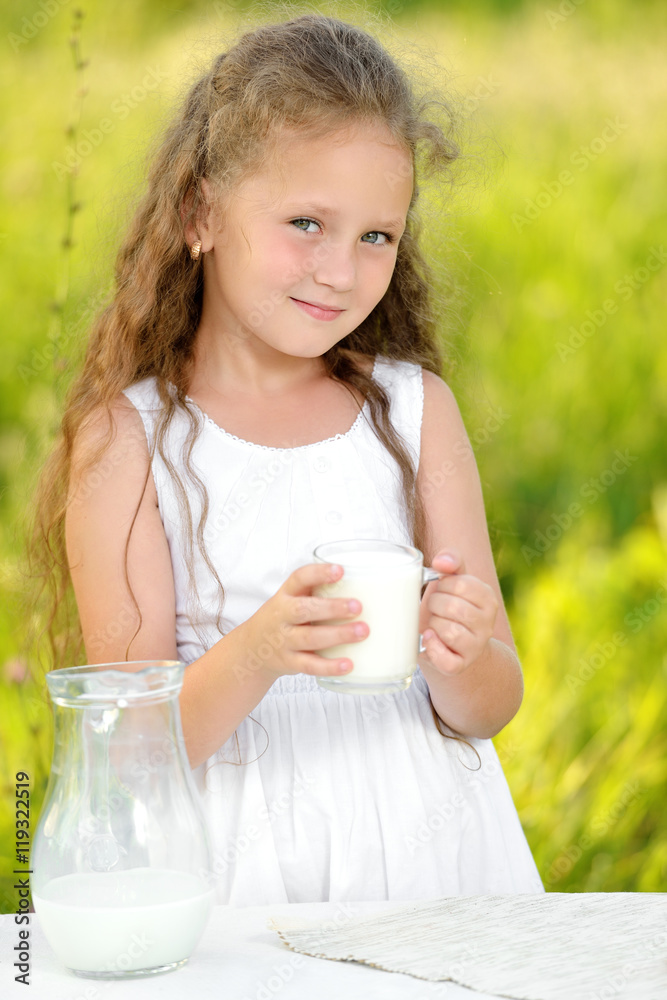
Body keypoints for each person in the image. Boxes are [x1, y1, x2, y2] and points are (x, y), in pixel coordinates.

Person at [34, 13, 544, 904]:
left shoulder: (415, 411)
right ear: (199, 214)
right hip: (240, 863)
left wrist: (461, 659)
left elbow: (491, 701)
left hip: (431, 853)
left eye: (375, 236)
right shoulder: (129, 442)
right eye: (305, 222)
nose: (341, 271)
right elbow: (127, 753)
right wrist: (260, 651)